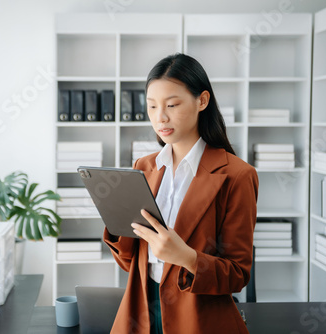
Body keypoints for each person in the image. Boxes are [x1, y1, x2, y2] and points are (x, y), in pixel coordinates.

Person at [103, 53, 258, 334]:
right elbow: (130, 263)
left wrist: (186, 257)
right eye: (151, 107)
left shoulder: (237, 176)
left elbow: (237, 275)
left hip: (198, 318)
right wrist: (116, 220)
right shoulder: (144, 167)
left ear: (202, 101)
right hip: (141, 311)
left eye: (172, 105)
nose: (160, 118)